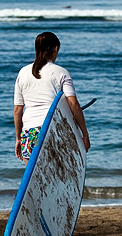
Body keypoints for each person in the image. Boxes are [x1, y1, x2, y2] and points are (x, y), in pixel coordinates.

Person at [14, 31, 90, 163]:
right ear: (56, 48)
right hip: (53, 131)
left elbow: (17, 110)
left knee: (35, 180)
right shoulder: (61, 72)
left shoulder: (23, 72)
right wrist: (84, 133)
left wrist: (19, 138)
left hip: (29, 134)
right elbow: (73, 104)